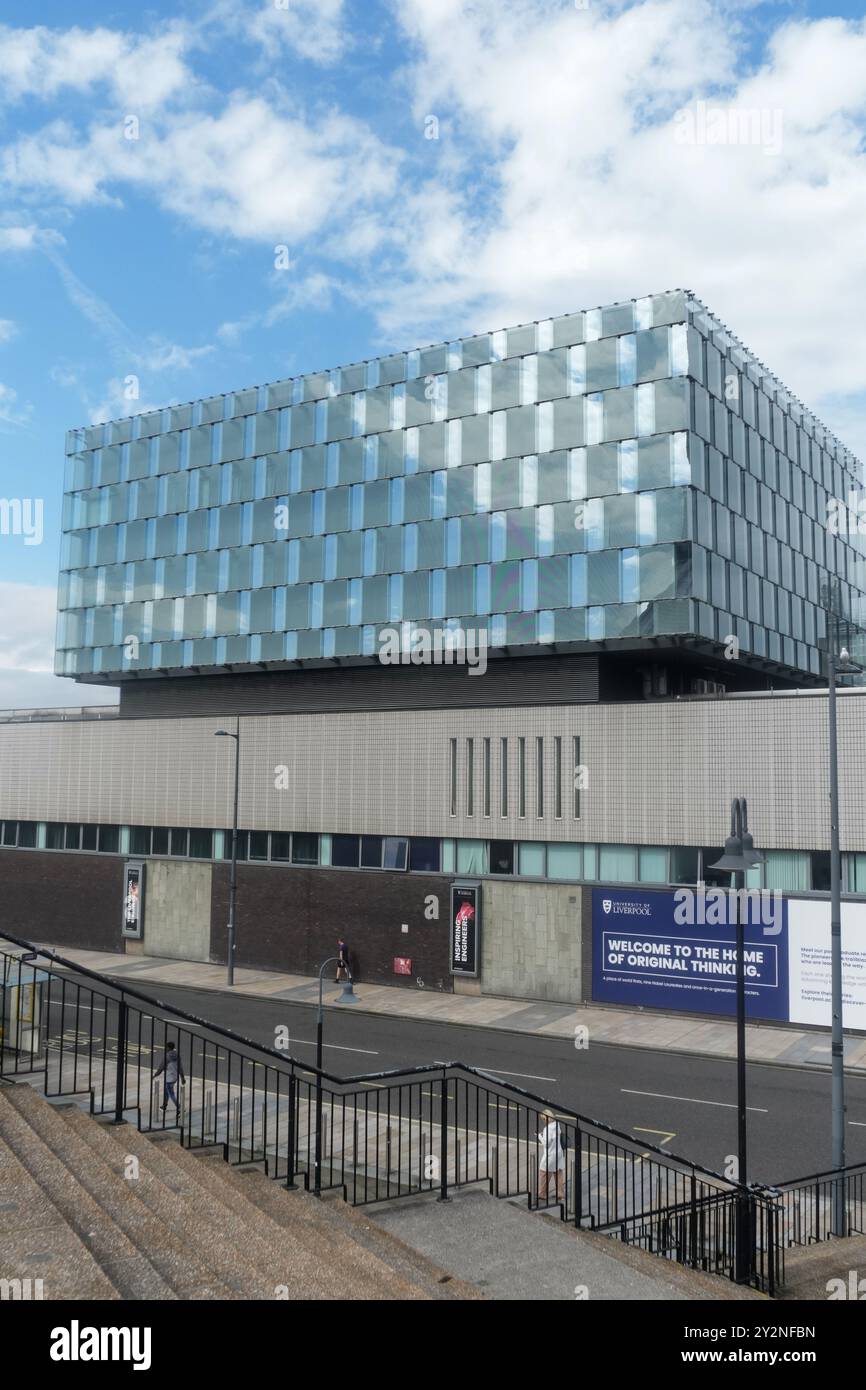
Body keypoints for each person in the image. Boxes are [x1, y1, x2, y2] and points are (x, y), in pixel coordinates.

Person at [537, 1109, 565, 1204]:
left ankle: (542, 1194)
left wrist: (540, 1137)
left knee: (543, 1173)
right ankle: (560, 1194)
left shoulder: (547, 1129)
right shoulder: (557, 1125)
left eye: (543, 1119)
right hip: (559, 1152)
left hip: (550, 1155)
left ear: (545, 1119)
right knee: (558, 1173)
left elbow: (546, 1144)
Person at [154, 1040, 185, 1114]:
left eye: (166, 1047)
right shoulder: (177, 1055)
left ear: (168, 1048)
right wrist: (182, 1077)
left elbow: (161, 1067)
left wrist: (155, 1075)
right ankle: (164, 1106)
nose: (165, 1048)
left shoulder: (167, 1056)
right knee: (166, 1091)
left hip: (169, 1078)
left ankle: (180, 1108)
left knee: (171, 1094)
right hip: (175, 1077)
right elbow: (180, 1067)